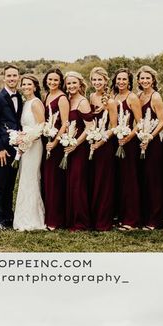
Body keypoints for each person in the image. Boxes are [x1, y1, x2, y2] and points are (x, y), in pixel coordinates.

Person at [0, 65, 23, 229]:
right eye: (9, 76)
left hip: (16, 149)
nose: (12, 78)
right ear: (4, 78)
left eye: (14, 75)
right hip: (2, 150)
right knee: (0, 184)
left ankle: (8, 215)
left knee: (10, 184)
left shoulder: (20, 97)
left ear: (18, 77)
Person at [12, 74, 45, 231]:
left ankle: (33, 218)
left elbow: (41, 127)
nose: (25, 87)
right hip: (25, 145)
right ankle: (23, 215)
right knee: (24, 178)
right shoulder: (25, 103)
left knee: (31, 178)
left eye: (29, 84)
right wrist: (20, 138)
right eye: (23, 84)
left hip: (34, 145)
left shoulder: (36, 103)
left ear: (35, 86)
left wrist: (28, 139)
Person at [111, 68, 142, 230]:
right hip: (116, 142)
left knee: (130, 180)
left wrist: (128, 137)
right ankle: (120, 215)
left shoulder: (132, 98)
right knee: (119, 180)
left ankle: (132, 220)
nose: (121, 82)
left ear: (129, 81)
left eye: (124, 79)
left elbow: (140, 122)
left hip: (129, 144)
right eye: (118, 79)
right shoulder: (114, 97)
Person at [136, 66, 163, 230]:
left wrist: (150, 137)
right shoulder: (139, 96)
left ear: (153, 79)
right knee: (142, 179)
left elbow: (162, 120)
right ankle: (143, 215)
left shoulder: (156, 97)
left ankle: (155, 219)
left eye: (148, 78)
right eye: (142, 78)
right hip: (140, 142)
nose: (145, 81)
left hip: (153, 143)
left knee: (154, 180)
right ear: (138, 80)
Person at [88, 67, 117, 231]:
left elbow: (114, 127)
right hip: (92, 143)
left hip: (105, 146)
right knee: (93, 180)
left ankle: (103, 219)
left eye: (100, 80)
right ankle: (93, 216)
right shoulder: (91, 96)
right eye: (94, 80)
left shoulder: (111, 101)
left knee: (104, 182)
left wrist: (100, 141)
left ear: (105, 81)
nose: (97, 82)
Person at [64, 71, 93, 232]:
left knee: (78, 183)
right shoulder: (68, 100)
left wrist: (75, 144)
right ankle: (70, 218)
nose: (71, 86)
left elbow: (90, 128)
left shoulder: (82, 102)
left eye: (74, 83)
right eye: (69, 83)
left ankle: (81, 222)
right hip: (68, 146)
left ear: (80, 84)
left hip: (79, 148)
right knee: (70, 182)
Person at [42, 68, 69, 230]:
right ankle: (48, 215)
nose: (52, 82)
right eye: (50, 80)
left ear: (60, 82)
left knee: (55, 182)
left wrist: (55, 142)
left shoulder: (62, 98)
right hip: (47, 141)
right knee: (47, 181)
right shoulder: (47, 96)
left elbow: (65, 123)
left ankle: (56, 219)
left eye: (56, 80)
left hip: (56, 145)